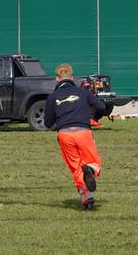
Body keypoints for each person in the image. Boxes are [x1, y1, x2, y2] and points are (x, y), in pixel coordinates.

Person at [43, 62, 106, 210]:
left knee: (75, 167)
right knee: (92, 162)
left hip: (64, 134)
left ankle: (87, 199)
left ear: (57, 78)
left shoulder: (52, 97)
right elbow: (101, 107)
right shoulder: (83, 93)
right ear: (72, 77)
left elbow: (47, 123)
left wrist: (60, 119)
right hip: (83, 131)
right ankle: (90, 170)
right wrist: (94, 118)